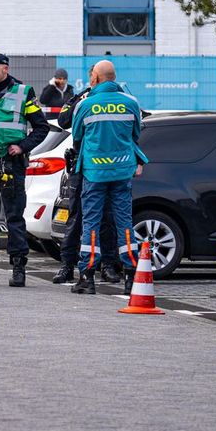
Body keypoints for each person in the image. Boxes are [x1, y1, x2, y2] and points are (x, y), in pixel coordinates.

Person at [0, 52, 50, 287]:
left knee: (14, 217)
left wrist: (22, 146)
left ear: (5, 68)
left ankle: (18, 267)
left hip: (10, 163)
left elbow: (41, 128)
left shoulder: (23, 93)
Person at [68, 60, 146, 295]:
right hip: (123, 171)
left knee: (91, 223)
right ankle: (131, 277)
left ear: (96, 79)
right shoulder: (131, 103)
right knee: (124, 222)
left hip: (94, 172)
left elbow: (77, 137)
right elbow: (136, 134)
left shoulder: (86, 104)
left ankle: (86, 276)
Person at [52, 70, 122, 286]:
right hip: (82, 166)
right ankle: (67, 266)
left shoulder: (121, 98)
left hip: (108, 167)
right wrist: (82, 101)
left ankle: (108, 266)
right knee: (76, 217)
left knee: (107, 218)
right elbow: (64, 120)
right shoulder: (82, 97)